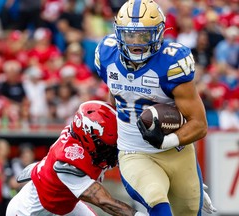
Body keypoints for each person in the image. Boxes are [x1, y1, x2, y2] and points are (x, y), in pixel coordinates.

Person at [94, 0, 217, 215]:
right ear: (118, 32)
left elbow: (199, 124)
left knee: (188, 210)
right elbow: (116, 96)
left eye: (143, 35)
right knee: (156, 197)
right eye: (129, 35)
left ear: (159, 33)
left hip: (176, 151)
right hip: (135, 151)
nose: (135, 43)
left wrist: (166, 140)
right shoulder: (106, 53)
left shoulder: (171, 62)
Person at [6, 100, 146, 216]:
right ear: (89, 137)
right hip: (29, 211)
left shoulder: (84, 140)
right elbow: (103, 201)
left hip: (62, 202)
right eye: (106, 146)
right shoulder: (69, 163)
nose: (111, 151)